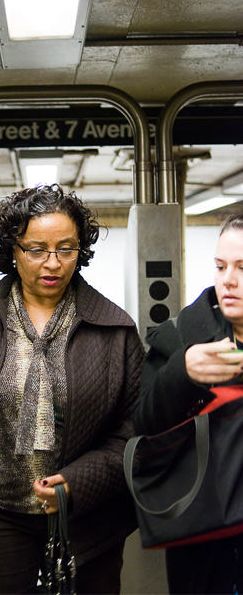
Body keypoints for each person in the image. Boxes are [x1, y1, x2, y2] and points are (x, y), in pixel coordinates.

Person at [0, 184, 144, 594]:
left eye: (66, 249)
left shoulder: (115, 329)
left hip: (84, 519)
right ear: (12, 251)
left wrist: (76, 484)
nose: (52, 264)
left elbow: (133, 430)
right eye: (36, 249)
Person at [133, 212, 243, 594]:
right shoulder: (181, 336)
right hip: (204, 539)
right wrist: (181, 373)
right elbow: (143, 426)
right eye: (220, 265)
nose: (228, 279)